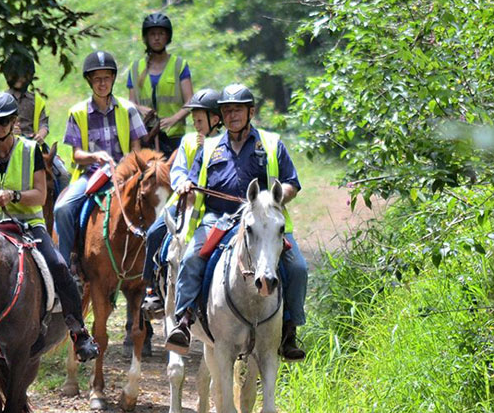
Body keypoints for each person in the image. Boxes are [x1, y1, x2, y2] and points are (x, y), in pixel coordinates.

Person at [0, 92, 100, 365]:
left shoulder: (30, 150)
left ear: (14, 121)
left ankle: (78, 332)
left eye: (3, 121)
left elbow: (39, 194)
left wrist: (13, 196)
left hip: (26, 225)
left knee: (59, 265)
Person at [164, 84, 308, 361]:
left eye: (238, 109)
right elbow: (191, 180)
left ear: (250, 112)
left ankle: (289, 329)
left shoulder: (271, 144)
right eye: (227, 110)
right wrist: (184, 186)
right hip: (218, 219)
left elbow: (292, 184)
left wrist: (272, 200)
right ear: (221, 115)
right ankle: (184, 320)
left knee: (297, 267)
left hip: (262, 222)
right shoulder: (209, 148)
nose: (232, 115)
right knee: (193, 257)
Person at [54, 50, 148, 269]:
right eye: (97, 79)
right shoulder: (77, 112)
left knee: (153, 204)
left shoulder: (128, 109)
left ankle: (151, 270)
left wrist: (125, 167)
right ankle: (67, 267)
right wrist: (95, 156)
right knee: (62, 209)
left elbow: (136, 150)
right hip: (92, 176)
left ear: (113, 78)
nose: (102, 83)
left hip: (125, 176)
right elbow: (76, 154)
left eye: (106, 78)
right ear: (90, 81)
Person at [139, 87, 223, 318]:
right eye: (194, 120)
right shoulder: (187, 141)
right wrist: (183, 182)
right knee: (155, 233)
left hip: (213, 208)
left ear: (215, 119)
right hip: (183, 203)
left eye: (199, 120)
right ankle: (153, 290)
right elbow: (178, 171)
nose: (195, 124)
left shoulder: (226, 143)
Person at [0, 52, 70, 193]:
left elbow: (44, 124)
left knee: (63, 174)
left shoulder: (35, 100)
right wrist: (9, 131)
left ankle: (57, 211)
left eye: (24, 75)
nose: (20, 79)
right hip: (6, 146)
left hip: (34, 145)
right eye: (16, 75)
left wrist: (41, 135)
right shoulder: (1, 100)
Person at [126, 13, 194, 157]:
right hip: (145, 136)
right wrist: (139, 108)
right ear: (146, 37)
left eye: (161, 34)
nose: (156, 38)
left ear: (167, 37)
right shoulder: (135, 68)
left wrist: (174, 119)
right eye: (152, 34)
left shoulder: (179, 65)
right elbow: (130, 103)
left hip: (173, 137)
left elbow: (190, 101)